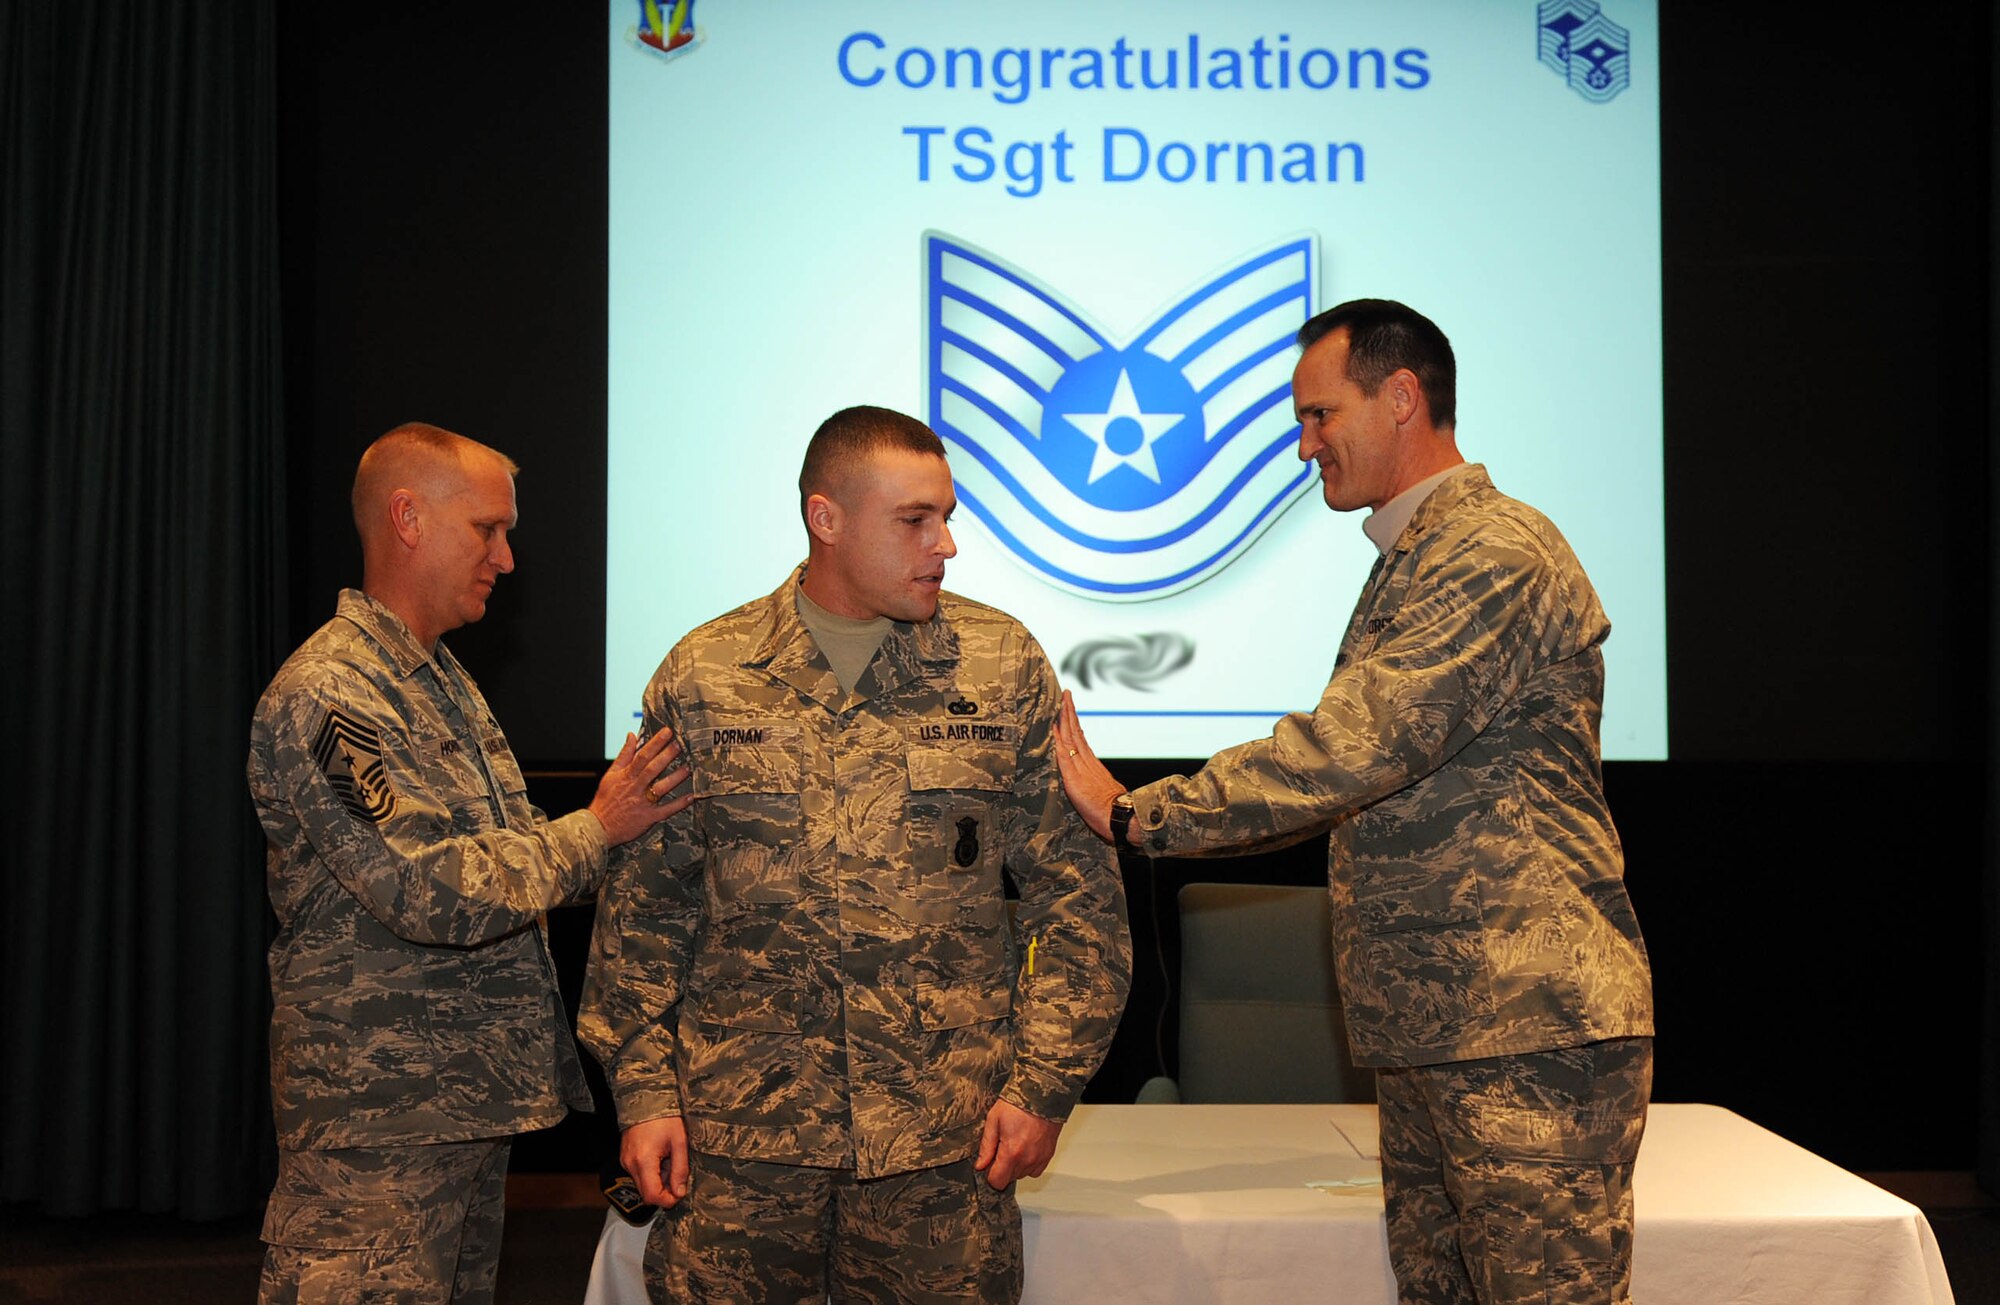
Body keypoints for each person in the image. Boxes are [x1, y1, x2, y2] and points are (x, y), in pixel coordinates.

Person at [1055, 300, 1655, 1305]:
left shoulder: (1490, 551)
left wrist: (1136, 813)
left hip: (1519, 1032)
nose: (1304, 446)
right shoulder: (1412, 559)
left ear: (1402, 397)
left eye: (1319, 415)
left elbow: (1350, 750)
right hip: (1443, 1030)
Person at [580, 405, 1131, 1302]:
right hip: (740, 1150)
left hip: (944, 1149)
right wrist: (643, 1094)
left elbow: (1078, 904)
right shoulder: (706, 674)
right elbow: (645, 911)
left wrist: (1044, 1086)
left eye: (947, 516)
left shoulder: (1000, 665)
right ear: (824, 518)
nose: (944, 544)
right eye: (915, 520)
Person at [247, 422, 693, 1304]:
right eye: (487, 529)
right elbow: (425, 887)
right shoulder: (332, 695)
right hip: (378, 1140)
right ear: (407, 518)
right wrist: (599, 827)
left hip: (458, 1113)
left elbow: (516, 847)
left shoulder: (438, 679)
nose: (507, 557)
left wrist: (643, 831)